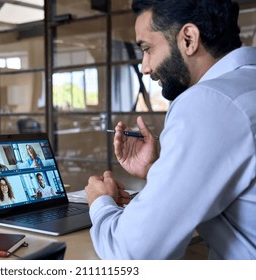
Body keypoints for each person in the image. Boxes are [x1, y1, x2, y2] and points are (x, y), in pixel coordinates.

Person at [85, 0, 256, 260]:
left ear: (188, 38)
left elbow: (133, 255)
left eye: (147, 49)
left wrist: (100, 202)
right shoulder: (246, 83)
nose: (145, 67)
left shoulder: (208, 101)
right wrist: (157, 171)